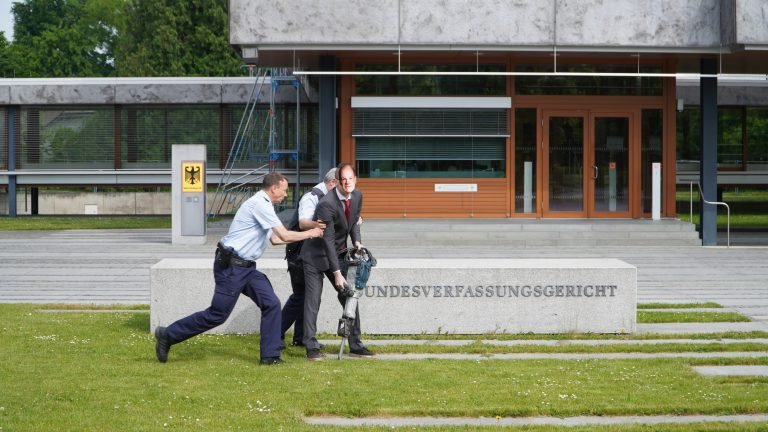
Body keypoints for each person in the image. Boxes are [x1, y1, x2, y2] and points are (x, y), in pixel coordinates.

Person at [154, 172, 323, 365]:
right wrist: (311, 233)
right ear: (274, 188)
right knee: (217, 315)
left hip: (247, 268)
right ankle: (168, 335)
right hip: (232, 267)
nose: (285, 195)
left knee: (271, 303)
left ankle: (270, 356)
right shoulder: (260, 204)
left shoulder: (265, 206)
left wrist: (306, 236)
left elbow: (275, 239)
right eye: (284, 190)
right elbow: (283, 236)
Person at [300, 163, 374, 361]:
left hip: (337, 253)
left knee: (349, 297)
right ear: (338, 182)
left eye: (351, 178)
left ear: (355, 179)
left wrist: (357, 242)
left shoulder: (357, 196)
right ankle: (311, 347)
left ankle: (356, 344)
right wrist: (337, 273)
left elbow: (354, 221)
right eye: (344, 179)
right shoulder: (327, 203)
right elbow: (328, 240)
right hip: (316, 256)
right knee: (313, 301)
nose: (347, 182)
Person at [280, 167, 337, 347]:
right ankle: (275, 332)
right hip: (298, 253)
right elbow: (304, 222)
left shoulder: (330, 198)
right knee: (301, 296)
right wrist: (319, 225)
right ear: (332, 183)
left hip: (312, 253)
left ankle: (300, 338)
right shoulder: (311, 197)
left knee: (305, 297)